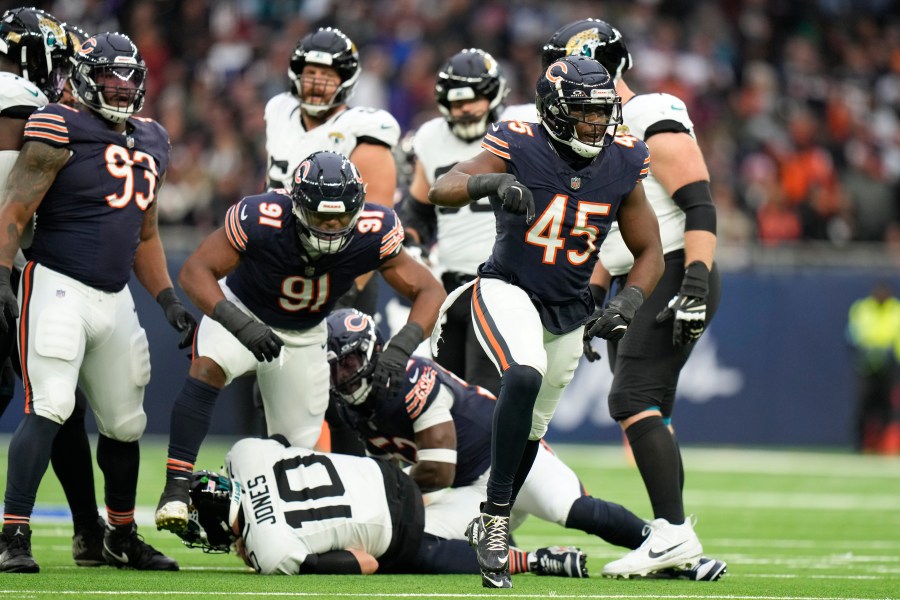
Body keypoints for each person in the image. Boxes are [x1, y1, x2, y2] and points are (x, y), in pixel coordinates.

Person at [428, 55, 665, 587]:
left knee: (532, 429)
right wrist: (488, 187)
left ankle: (498, 509)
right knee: (523, 373)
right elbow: (441, 187)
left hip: (570, 307)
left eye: (604, 113)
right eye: (586, 114)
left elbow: (650, 249)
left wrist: (626, 303)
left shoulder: (623, 158)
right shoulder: (519, 139)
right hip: (507, 287)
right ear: (556, 113)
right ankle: (493, 520)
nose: (598, 125)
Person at [154, 150, 446, 535]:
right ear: (296, 206)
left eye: (340, 217)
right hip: (246, 309)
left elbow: (430, 289)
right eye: (320, 217)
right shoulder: (262, 217)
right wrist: (240, 324)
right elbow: (195, 272)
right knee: (208, 365)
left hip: (306, 334)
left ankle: (259, 521)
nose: (330, 227)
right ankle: (175, 487)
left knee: (296, 454)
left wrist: (400, 347)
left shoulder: (375, 230)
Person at [324, 308, 726, 583]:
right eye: (336, 366)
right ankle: (535, 561)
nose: (344, 374)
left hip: (508, 463)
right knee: (407, 545)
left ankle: (672, 552)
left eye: (352, 362)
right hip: (465, 492)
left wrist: (397, 494)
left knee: (575, 510)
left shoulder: (410, 379)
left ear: (374, 353)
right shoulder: (347, 407)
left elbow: (439, 468)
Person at [0, 31, 196, 573]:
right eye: (110, 76)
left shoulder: (153, 137)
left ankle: (119, 535)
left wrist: (167, 300)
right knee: (51, 405)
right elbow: (15, 208)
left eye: (130, 78)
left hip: (115, 296)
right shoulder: (58, 122)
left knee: (125, 422)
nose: (120, 87)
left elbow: (148, 234)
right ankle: (13, 535)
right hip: (57, 283)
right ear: (85, 77)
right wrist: (0, 276)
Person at [541, 19, 722, 578]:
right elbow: (611, 239)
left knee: (632, 397)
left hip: (673, 268)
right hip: (636, 278)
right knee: (650, 407)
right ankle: (674, 538)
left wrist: (694, 282)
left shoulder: (647, 113)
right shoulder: (597, 136)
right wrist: (593, 300)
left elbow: (698, 202)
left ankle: (670, 533)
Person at [179, 436, 589, 578]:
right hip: (390, 474)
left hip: (397, 526)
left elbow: (365, 563)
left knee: (416, 554)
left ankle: (533, 561)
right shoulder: (245, 455)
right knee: (406, 517)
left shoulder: (270, 552)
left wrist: (253, 547)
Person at [400, 48, 525, 395]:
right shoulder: (429, 137)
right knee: (449, 394)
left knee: (486, 392)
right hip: (450, 286)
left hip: (505, 283)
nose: (466, 109)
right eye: (457, 103)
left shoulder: (523, 126)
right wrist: (412, 241)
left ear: (495, 94)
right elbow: (418, 208)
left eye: (475, 99)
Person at [265, 26, 400, 314]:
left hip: (335, 267)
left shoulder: (361, 129)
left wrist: (349, 288)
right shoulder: (278, 110)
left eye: (327, 76)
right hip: (278, 259)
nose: (316, 84)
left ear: (346, 81)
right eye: (311, 74)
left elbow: (378, 223)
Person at [846, 281, 900, 451]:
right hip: (867, 366)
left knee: (887, 406)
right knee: (863, 404)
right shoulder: (862, 309)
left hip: (889, 366)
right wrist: (865, 352)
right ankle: (859, 446)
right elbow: (853, 334)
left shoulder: (896, 310)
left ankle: (885, 445)